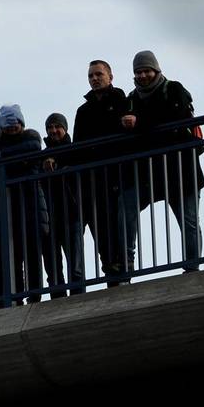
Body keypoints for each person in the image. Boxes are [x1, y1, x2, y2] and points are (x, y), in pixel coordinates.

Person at [119, 50, 204, 275]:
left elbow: (173, 118)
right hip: (148, 173)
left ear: (156, 70)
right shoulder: (132, 98)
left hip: (181, 169)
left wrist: (139, 122)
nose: (142, 76)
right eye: (138, 72)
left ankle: (192, 268)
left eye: (146, 71)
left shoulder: (174, 89)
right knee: (125, 208)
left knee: (189, 221)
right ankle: (126, 266)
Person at [0, 106, 49, 306]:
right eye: (8, 123)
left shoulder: (30, 136)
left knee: (32, 254)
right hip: (8, 210)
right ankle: (17, 296)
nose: (12, 127)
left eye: (15, 123)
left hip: (30, 206)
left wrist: (2, 156)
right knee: (13, 256)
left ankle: (35, 295)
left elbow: (33, 147)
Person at [72, 59, 130, 284]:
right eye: (91, 76)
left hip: (117, 175)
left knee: (119, 226)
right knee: (100, 228)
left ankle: (123, 272)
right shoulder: (84, 110)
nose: (94, 79)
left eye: (98, 74)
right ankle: (111, 273)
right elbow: (77, 147)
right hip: (92, 178)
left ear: (110, 77)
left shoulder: (121, 100)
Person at [41, 112, 86, 297]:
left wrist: (58, 164)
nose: (53, 131)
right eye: (50, 127)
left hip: (72, 213)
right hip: (49, 217)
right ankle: (57, 301)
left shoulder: (74, 150)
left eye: (57, 126)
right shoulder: (42, 156)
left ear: (65, 129)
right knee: (53, 269)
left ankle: (78, 299)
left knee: (76, 267)